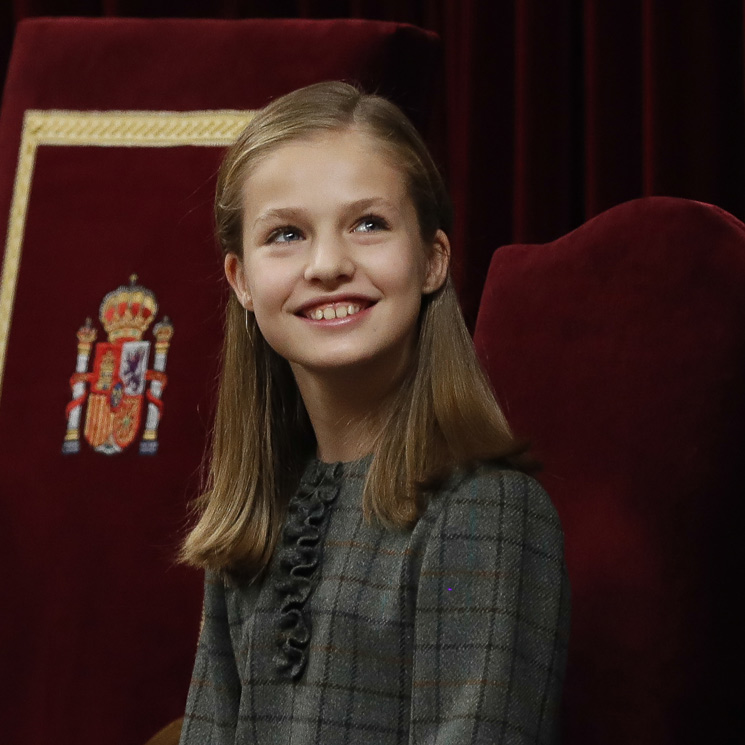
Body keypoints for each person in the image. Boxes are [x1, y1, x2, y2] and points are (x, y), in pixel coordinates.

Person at [178, 81, 570, 745]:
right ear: (241, 280)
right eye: (286, 234)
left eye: (368, 223)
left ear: (430, 260)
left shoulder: (484, 511)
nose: (328, 264)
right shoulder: (256, 515)